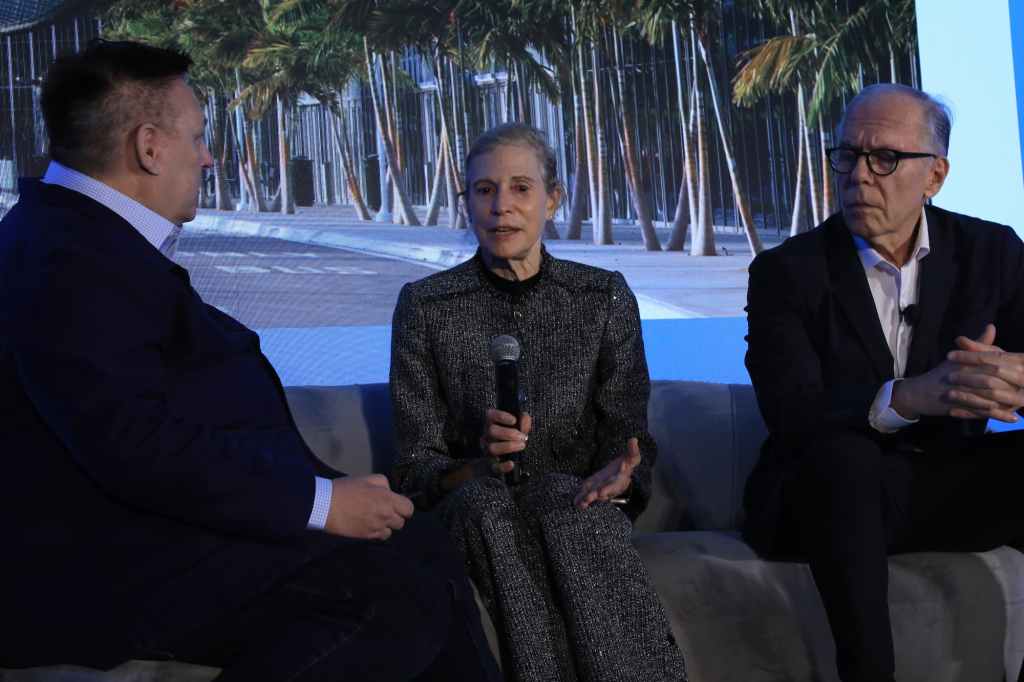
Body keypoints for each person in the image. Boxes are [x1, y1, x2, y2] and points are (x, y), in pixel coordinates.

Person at [0, 39, 499, 681]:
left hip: (159, 538)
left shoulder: (79, 240)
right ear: (149, 148)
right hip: (107, 568)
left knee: (420, 546)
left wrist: (338, 495)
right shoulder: (65, 260)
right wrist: (320, 504)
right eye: (197, 137)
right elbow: (131, 443)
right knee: (390, 592)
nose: (208, 156)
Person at [743, 82, 1024, 682]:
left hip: (941, 485)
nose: (859, 176)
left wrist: (1017, 379)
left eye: (885, 158)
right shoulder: (785, 272)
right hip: (820, 500)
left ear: (935, 176)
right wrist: (912, 396)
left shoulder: (992, 251)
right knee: (843, 456)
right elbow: (792, 413)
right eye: (847, 155)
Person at [389, 122, 687, 682]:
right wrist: (479, 465)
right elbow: (414, 470)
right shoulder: (426, 307)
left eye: (521, 188)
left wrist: (620, 476)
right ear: (467, 202)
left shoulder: (602, 297)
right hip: (474, 506)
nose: (501, 206)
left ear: (552, 200)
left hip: (575, 503)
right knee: (489, 508)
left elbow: (627, 439)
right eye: (484, 190)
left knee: (568, 503)